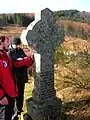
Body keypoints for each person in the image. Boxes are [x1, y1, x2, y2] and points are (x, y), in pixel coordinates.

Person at [8, 36, 34, 116]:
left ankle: (19, 109)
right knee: (16, 95)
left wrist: (31, 60)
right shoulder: (10, 52)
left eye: (19, 44)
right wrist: (26, 60)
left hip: (22, 76)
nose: (18, 46)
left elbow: (25, 63)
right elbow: (15, 64)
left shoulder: (20, 50)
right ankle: (15, 113)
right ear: (12, 44)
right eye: (16, 44)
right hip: (15, 78)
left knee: (21, 94)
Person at [0, 36, 18, 120]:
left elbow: (14, 65)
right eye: (7, 42)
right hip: (3, 97)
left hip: (10, 94)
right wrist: (1, 96)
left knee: (9, 115)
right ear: (1, 42)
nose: (9, 44)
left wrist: (30, 59)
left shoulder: (5, 55)